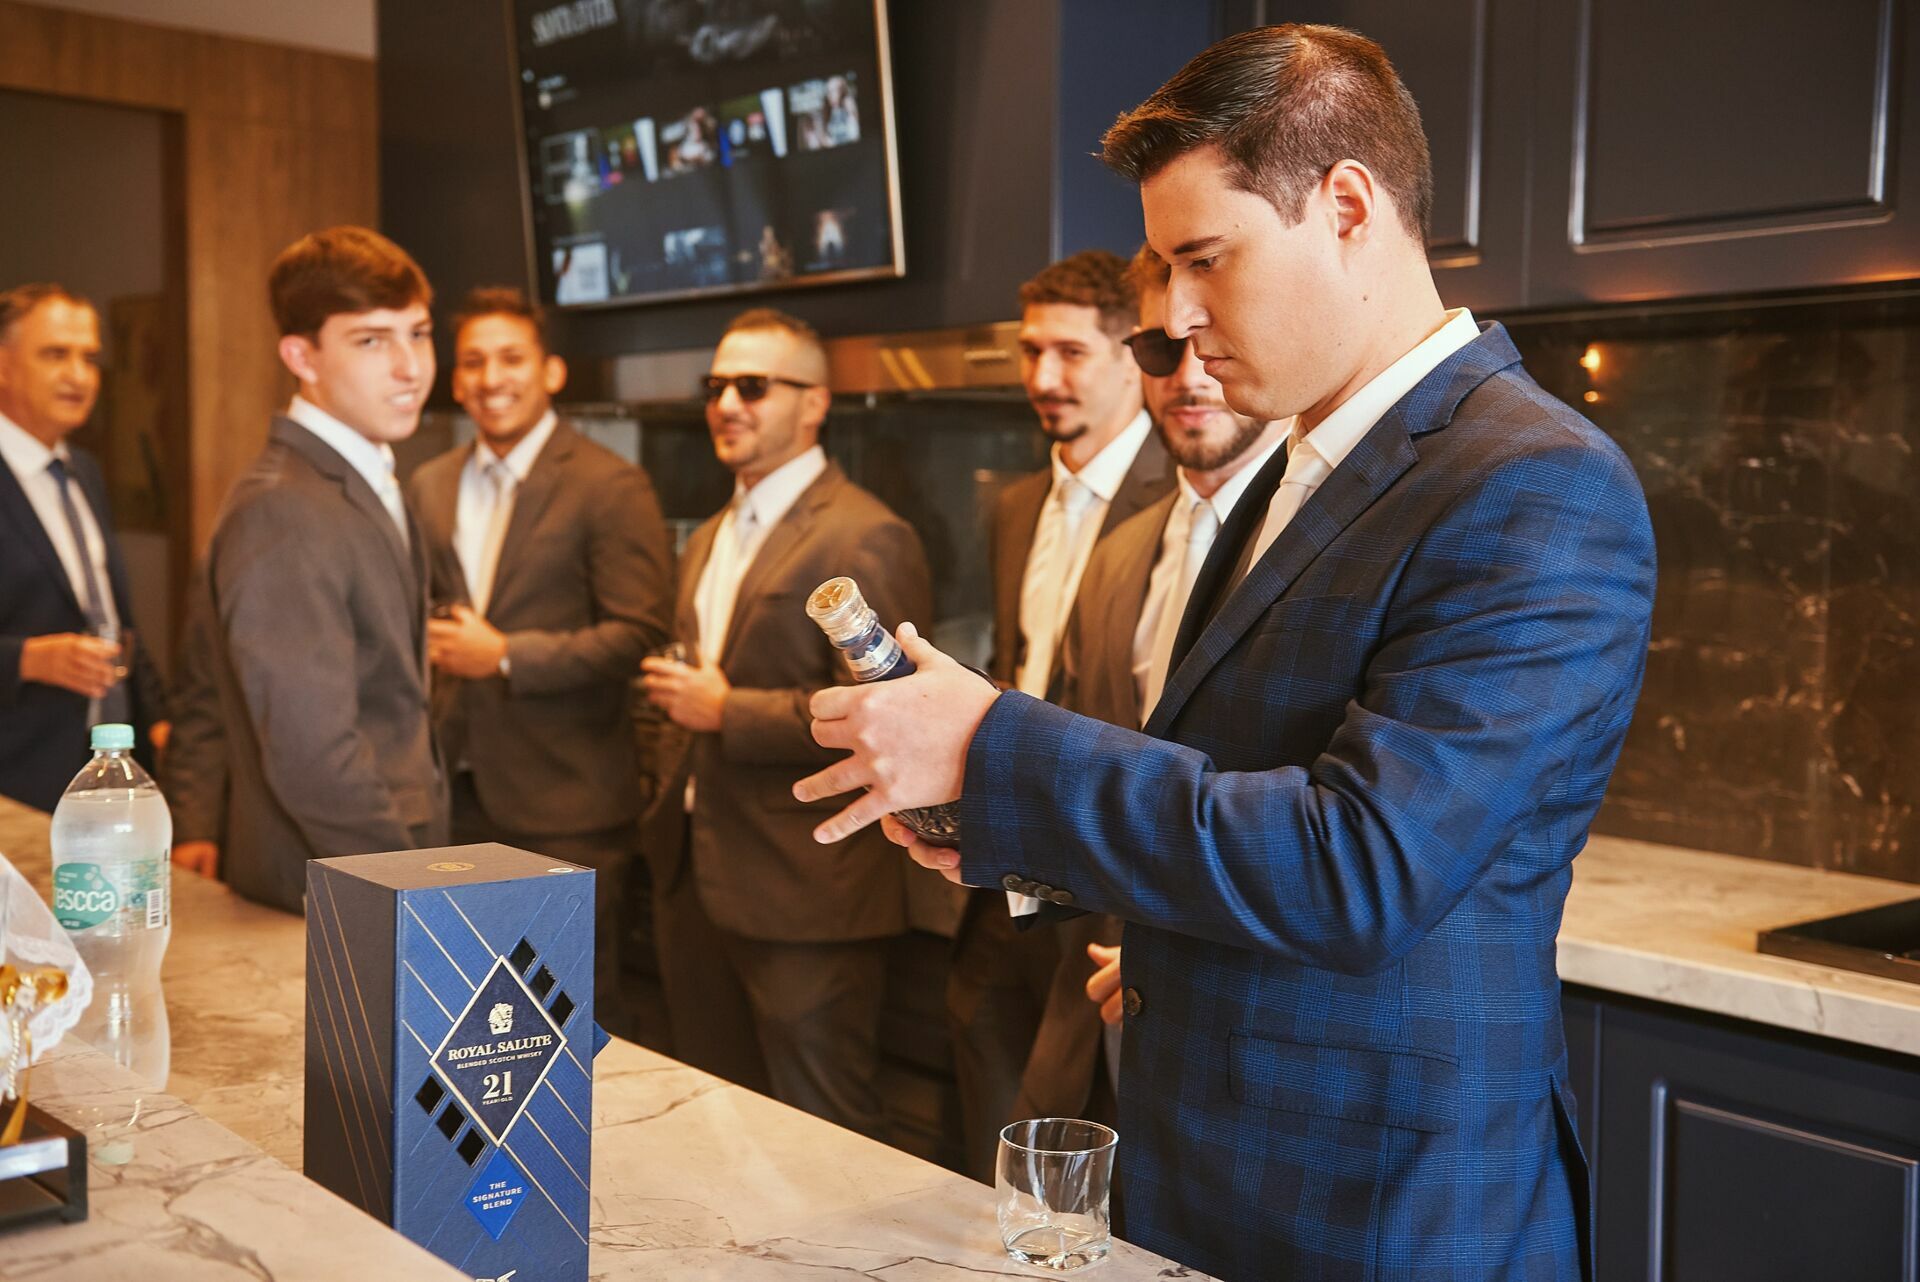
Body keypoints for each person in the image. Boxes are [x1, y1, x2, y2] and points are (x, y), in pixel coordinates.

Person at [797, 25, 1656, 1281]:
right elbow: (1243, 790)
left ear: (1347, 206)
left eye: (1205, 259)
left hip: (1382, 1213)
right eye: (1166, 269)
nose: (1177, 316)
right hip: (1219, 1173)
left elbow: (1363, 865)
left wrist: (994, 747)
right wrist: (1020, 837)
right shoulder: (1294, 470)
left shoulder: (1539, 481)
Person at [639, 307, 931, 1138]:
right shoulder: (710, 534)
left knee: (823, 1137)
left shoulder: (866, 532)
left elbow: (897, 716)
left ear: (814, 403)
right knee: (706, 1125)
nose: (727, 403)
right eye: (716, 386)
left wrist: (726, 710)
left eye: (752, 386)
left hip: (807, 893)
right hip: (693, 878)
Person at [946, 249, 1173, 1180]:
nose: (1043, 377)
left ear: (1131, 356)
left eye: (1071, 353)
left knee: (1092, 1151)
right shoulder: (1015, 504)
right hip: (1004, 868)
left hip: (1106, 875)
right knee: (990, 1127)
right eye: (1031, 352)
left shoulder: (1184, 490)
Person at [409, 286, 672, 1030]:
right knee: (458, 1018)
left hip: (569, 805)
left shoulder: (610, 484)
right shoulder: (428, 485)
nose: (491, 378)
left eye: (511, 359)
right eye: (473, 363)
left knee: (566, 1019)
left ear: (552, 371)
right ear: (456, 379)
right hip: (450, 795)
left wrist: (505, 656)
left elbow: (640, 633)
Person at [1056, 243, 1292, 1072]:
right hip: (1102, 968)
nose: (1189, 376)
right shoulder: (1118, 550)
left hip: (1255, 996)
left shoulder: (1320, 543)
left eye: (1211, 339)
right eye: (1161, 350)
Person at [204, 226, 448, 913]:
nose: (410, 367)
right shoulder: (283, 506)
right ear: (300, 356)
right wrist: (417, 896)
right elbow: (312, 754)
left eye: (419, 334)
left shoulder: (362, 476)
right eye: (372, 341)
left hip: (380, 865)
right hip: (338, 889)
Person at [0, 283, 169, 812]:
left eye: (90, 358)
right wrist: (25, 659)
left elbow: (114, 616)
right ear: (3, 364)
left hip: (107, 766)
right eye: (56, 355)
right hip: (18, 779)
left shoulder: (85, 472)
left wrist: (159, 718)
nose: (79, 375)